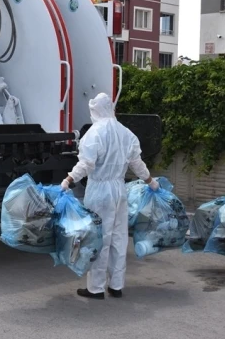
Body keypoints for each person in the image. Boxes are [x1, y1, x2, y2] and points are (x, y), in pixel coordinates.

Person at [60, 92, 159, 300]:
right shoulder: (126, 133)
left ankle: (95, 288)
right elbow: (137, 163)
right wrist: (150, 181)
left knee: (99, 239)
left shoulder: (94, 134)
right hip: (119, 190)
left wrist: (69, 179)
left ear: (95, 110)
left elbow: (86, 164)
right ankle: (116, 285)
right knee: (118, 238)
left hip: (99, 191)